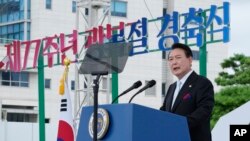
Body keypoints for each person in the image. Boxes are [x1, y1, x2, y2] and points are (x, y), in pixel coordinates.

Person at [160, 43, 214, 141]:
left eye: (178, 58)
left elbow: (204, 111)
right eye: (171, 59)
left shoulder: (202, 83)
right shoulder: (172, 87)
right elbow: (164, 112)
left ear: (190, 60)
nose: (174, 62)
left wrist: (179, 124)